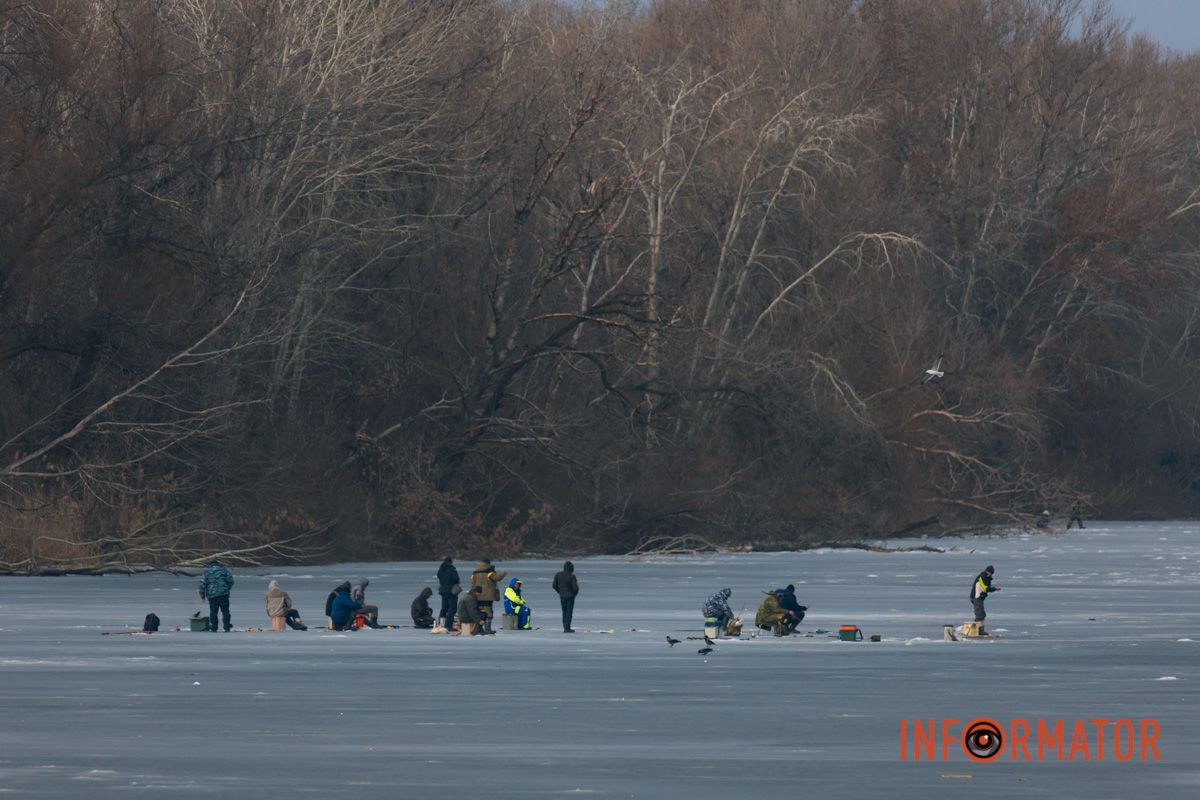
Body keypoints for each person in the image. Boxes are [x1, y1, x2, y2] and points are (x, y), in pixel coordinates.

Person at [470, 559, 507, 633]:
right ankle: (487, 629)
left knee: (479, 612)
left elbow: (472, 584)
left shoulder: (475, 573)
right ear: (488, 564)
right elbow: (497, 577)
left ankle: (478, 628)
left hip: (478, 595)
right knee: (488, 612)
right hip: (488, 596)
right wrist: (504, 572)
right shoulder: (489, 572)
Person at [199, 559, 234, 633]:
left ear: (210, 565)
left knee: (213, 612)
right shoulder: (224, 571)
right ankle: (227, 627)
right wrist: (227, 589)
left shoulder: (207, 572)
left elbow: (202, 584)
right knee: (225, 611)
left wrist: (202, 595)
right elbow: (231, 580)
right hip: (224, 594)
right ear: (218, 564)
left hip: (212, 595)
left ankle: (214, 627)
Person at [552, 560, 579, 633]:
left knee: (564, 612)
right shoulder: (572, 576)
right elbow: (575, 588)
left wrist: (560, 592)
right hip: (570, 596)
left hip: (562, 596)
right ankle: (567, 628)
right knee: (569, 612)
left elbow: (554, 586)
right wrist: (574, 594)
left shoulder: (558, 574)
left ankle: (565, 626)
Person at [436, 557, 460, 629]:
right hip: (451, 592)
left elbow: (440, 578)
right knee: (452, 609)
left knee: (444, 608)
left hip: (443, 591)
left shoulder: (440, 570)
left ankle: (441, 624)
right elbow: (456, 579)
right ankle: (448, 625)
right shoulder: (452, 570)